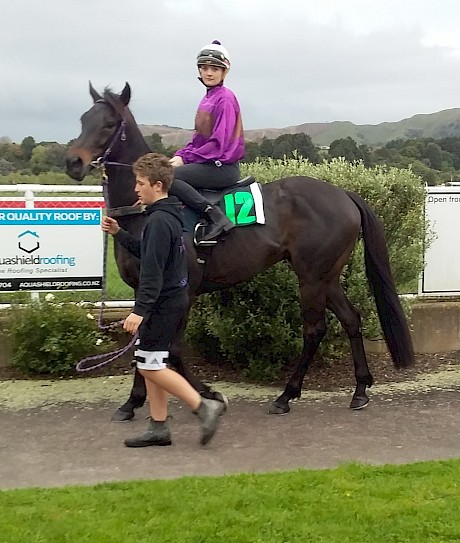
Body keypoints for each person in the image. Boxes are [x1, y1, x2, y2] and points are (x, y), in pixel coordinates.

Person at [101, 152, 226, 447]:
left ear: (157, 186)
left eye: (141, 183)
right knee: (151, 362)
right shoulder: (166, 215)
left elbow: (152, 273)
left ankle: (203, 406)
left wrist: (139, 311)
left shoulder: (157, 221)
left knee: (149, 367)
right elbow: (149, 252)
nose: (135, 189)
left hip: (163, 304)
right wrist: (119, 233)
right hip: (170, 301)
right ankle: (158, 427)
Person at [169, 40, 245, 241]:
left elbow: (217, 145)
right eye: (204, 68)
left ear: (224, 72)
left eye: (214, 69)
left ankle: (216, 217)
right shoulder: (208, 98)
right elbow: (198, 141)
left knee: (170, 178)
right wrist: (180, 155)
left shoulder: (225, 98)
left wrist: (186, 160)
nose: (209, 73)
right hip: (208, 163)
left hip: (222, 167)